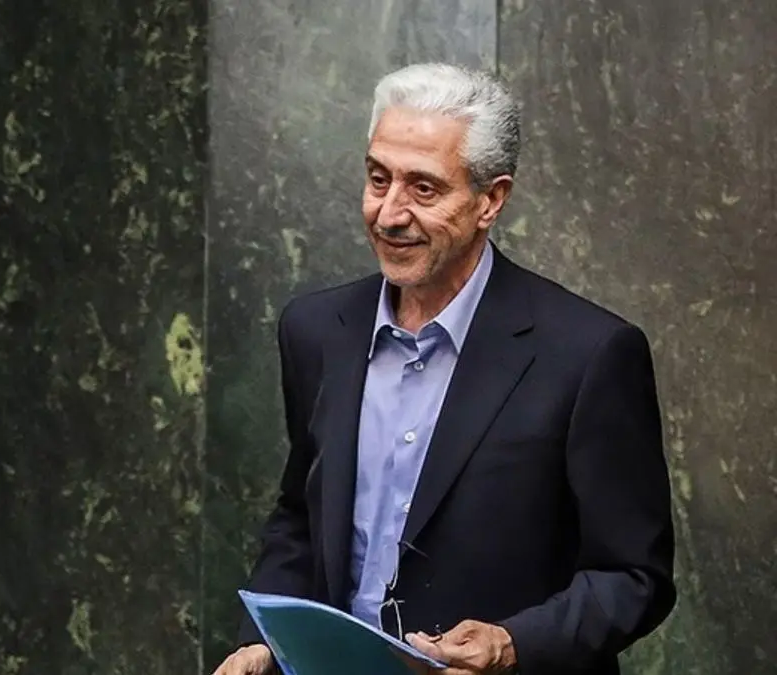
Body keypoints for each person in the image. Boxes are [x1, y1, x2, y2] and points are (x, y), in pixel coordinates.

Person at [211, 63, 676, 675]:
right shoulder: (316, 330)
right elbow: (301, 517)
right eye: (378, 179)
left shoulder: (590, 353)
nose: (389, 214)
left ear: (491, 200)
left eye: (424, 189)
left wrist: (512, 644)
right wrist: (264, 639)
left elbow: (635, 576)